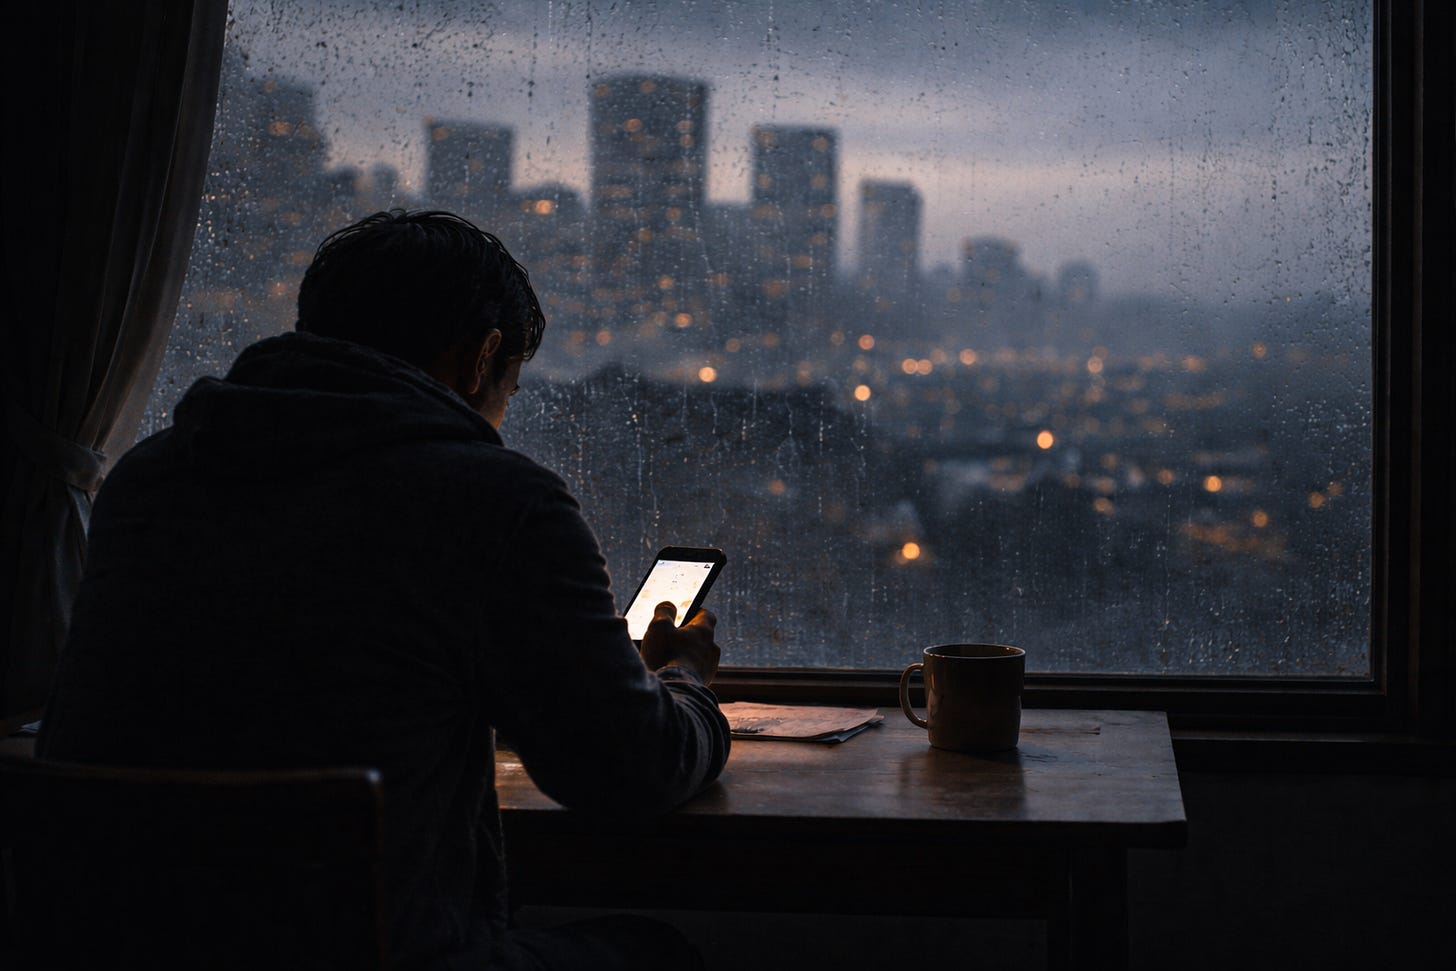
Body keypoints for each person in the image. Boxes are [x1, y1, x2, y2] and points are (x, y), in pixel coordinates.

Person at [37, 209, 731, 970]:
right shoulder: (497, 503)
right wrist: (685, 680)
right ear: (482, 358)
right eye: (509, 389)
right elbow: (627, 771)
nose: (500, 416)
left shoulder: (147, 480)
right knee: (660, 951)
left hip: (121, 945)